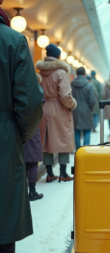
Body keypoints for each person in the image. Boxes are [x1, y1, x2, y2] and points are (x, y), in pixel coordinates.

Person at [0, 0, 44, 253]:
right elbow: (29, 104)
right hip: (3, 141)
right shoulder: (13, 41)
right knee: (2, 224)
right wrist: (19, 136)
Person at [36, 44, 77, 183]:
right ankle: (63, 173)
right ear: (58, 56)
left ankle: (49, 173)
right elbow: (65, 96)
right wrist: (72, 105)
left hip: (44, 108)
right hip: (59, 109)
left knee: (47, 140)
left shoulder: (40, 73)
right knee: (63, 139)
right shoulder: (61, 73)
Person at [23, 74, 44, 201]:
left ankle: (21, 192)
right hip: (32, 127)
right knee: (33, 162)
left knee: (23, 161)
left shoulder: (18, 88)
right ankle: (32, 191)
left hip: (18, 127)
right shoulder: (38, 91)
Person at [71, 67, 96, 149]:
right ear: (85, 74)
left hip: (74, 111)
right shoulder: (89, 85)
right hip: (86, 111)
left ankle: (78, 151)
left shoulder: (71, 84)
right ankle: (85, 151)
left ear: (76, 74)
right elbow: (92, 101)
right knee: (87, 131)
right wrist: (90, 109)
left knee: (76, 132)